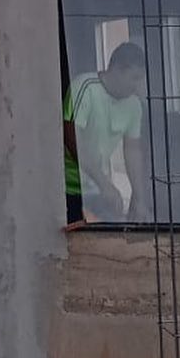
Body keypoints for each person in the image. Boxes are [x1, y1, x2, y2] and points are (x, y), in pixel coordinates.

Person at [63, 41, 150, 225]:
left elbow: (132, 150)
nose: (138, 85)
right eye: (134, 78)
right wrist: (105, 184)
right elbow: (71, 137)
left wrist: (139, 198)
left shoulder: (134, 105)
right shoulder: (85, 87)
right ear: (117, 70)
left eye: (141, 79)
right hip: (65, 187)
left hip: (94, 188)